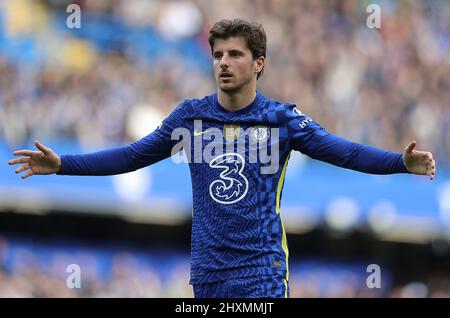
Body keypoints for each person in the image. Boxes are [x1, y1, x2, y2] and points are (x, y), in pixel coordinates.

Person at [8, 19, 436, 298]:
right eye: (217, 55)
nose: (224, 63)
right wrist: (64, 164)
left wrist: (400, 162)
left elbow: (348, 152)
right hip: (208, 274)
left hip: (261, 271)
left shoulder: (281, 120)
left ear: (259, 64)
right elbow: (131, 156)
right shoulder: (190, 117)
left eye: (235, 54)